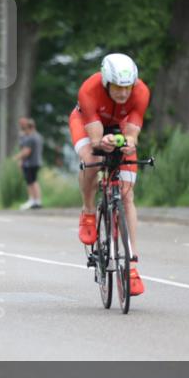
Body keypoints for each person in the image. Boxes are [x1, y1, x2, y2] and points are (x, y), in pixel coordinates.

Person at [68, 53, 151, 296]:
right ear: (106, 82)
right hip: (87, 121)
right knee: (93, 159)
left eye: (127, 88)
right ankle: (88, 211)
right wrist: (100, 142)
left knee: (127, 195)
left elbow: (133, 130)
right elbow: (95, 139)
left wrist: (130, 143)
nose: (124, 93)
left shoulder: (142, 92)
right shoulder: (89, 89)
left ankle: (132, 267)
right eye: (117, 88)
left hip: (120, 126)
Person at [14, 117, 43, 209]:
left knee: (30, 183)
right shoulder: (38, 136)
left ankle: (32, 200)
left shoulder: (30, 138)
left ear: (28, 127)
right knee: (34, 182)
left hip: (30, 163)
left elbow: (26, 152)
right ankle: (37, 201)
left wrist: (17, 158)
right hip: (36, 161)